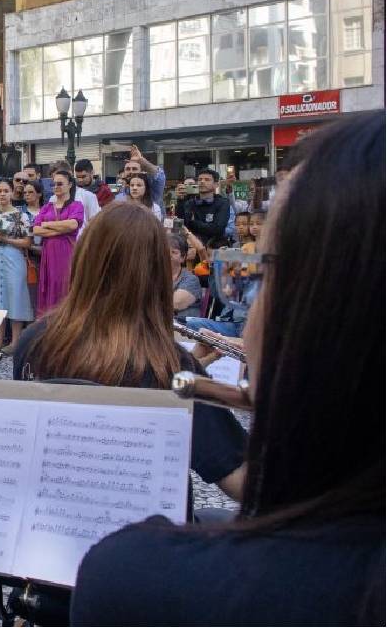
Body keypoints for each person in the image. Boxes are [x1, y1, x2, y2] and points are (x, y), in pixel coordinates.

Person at [72, 114, 384, 626]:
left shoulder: (136, 576)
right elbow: (243, 483)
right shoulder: (168, 362)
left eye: (260, 267)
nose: (250, 308)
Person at [13, 201, 246, 502]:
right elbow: (242, 480)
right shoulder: (169, 365)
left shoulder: (32, 340)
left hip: (52, 516)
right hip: (145, 533)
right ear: (157, 273)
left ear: (83, 261)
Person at [0, 178, 34, 351]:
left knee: (15, 295)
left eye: (5, 191)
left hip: (13, 257)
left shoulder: (21, 216)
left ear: (11, 193)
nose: (2, 194)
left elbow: (27, 242)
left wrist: (6, 239)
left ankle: (15, 340)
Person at [32, 169, 83, 314]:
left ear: (70, 185)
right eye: (54, 184)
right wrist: (62, 228)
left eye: (60, 184)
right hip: (49, 253)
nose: (56, 187)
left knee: (65, 284)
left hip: (66, 252)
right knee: (49, 284)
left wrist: (47, 224)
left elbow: (73, 225)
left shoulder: (76, 205)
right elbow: (36, 230)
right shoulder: (47, 207)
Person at [176, 168, 233, 248]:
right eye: (200, 179)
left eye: (207, 179)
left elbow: (217, 229)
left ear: (216, 184)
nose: (202, 182)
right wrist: (180, 201)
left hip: (215, 248)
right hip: (192, 247)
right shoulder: (190, 203)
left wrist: (193, 222)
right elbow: (181, 225)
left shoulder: (223, 203)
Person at [114, 145, 166, 210]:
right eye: (128, 169)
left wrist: (142, 161)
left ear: (142, 172)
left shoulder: (151, 189)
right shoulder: (122, 191)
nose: (131, 172)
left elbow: (159, 176)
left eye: (134, 169)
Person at [168, 232, 203, 319]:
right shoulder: (153, 277)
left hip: (181, 327)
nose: (168, 255)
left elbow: (175, 303)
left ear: (183, 258)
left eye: (174, 252)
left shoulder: (191, 279)